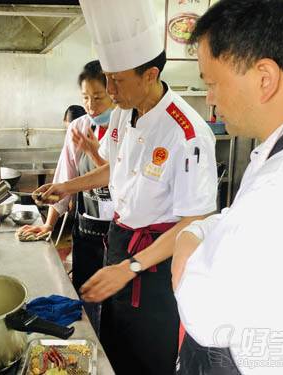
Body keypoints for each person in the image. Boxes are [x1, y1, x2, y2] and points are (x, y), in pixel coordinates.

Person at [34, 0, 218, 373]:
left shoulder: (186, 133)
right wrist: (67, 186)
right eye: (107, 77)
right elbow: (114, 172)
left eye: (117, 80)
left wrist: (130, 267)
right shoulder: (122, 111)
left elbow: (195, 219)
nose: (109, 89)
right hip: (119, 241)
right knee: (114, 339)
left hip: (158, 262)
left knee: (148, 353)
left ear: (150, 75)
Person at [172, 1, 283, 374]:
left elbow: (204, 311)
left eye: (212, 83)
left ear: (264, 78)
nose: (209, 99)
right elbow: (232, 222)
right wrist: (198, 232)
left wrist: (185, 243)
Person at [19, 60, 115, 333]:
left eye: (98, 97)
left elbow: (120, 178)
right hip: (87, 229)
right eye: (85, 97)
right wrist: (49, 224)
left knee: (114, 304)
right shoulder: (78, 127)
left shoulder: (126, 128)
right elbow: (64, 179)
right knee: (85, 296)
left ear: (114, 93)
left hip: (118, 233)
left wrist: (96, 153)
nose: (91, 105)